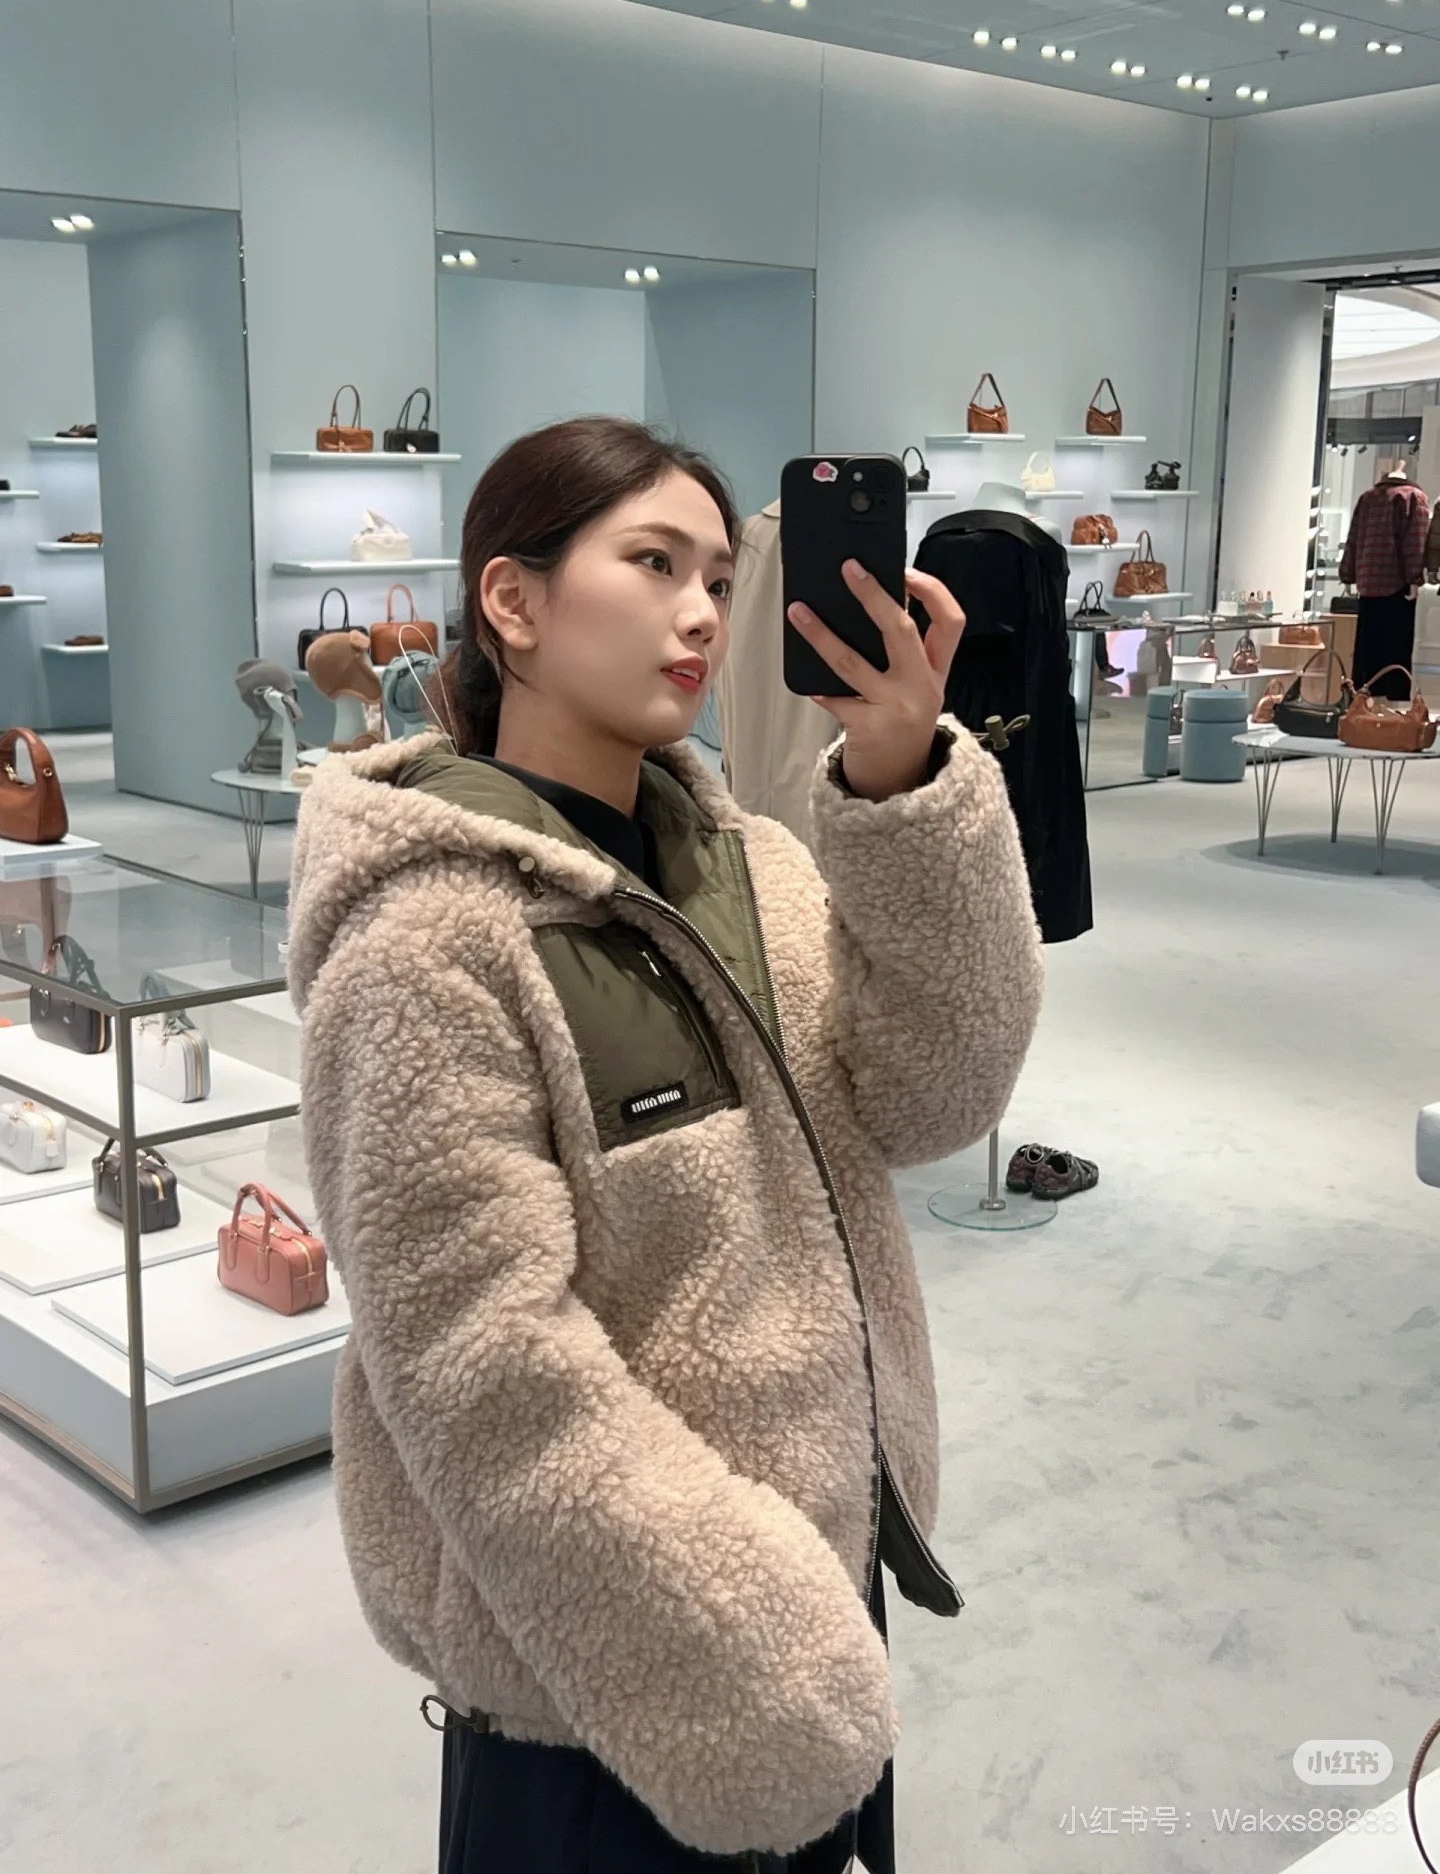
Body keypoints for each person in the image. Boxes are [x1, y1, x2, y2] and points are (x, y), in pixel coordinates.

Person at [288, 417, 1044, 1872]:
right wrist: (742, 1648)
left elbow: (932, 1100)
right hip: (618, 1663)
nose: (700, 612)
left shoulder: (758, 865)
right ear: (513, 601)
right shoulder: (428, 941)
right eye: (652, 563)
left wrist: (899, 780)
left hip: (811, 1584)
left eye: (717, 576)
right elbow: (481, 1370)